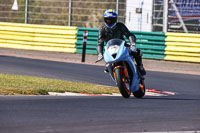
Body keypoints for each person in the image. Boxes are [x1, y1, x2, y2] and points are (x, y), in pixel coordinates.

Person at [96, 9, 146, 76]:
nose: (110, 21)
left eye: (112, 20)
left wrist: (133, 44)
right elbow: (100, 43)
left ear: (115, 19)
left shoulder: (120, 26)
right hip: (110, 49)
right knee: (107, 67)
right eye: (108, 20)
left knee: (137, 52)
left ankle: (140, 66)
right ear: (105, 20)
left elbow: (129, 35)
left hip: (123, 46)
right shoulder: (102, 30)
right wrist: (100, 53)